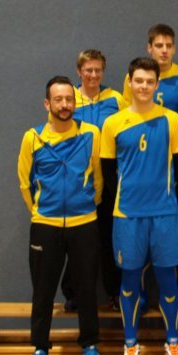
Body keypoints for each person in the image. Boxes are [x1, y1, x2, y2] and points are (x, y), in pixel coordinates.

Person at [101, 57, 178, 355]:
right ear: (129, 81)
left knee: (168, 281)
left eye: (150, 81)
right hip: (128, 216)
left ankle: (173, 342)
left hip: (164, 214)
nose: (144, 86)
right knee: (129, 282)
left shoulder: (172, 120)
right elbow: (108, 174)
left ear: (157, 84)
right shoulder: (113, 124)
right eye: (138, 80)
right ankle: (130, 345)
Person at [17, 76, 104, 355]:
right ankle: (40, 349)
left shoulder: (91, 134)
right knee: (43, 292)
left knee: (86, 290)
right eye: (58, 99)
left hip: (84, 223)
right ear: (47, 104)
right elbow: (25, 183)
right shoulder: (32, 138)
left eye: (69, 99)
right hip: (46, 225)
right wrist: (41, 212)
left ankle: (89, 345)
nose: (65, 105)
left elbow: (98, 178)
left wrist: (87, 204)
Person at [64, 49, 125, 312]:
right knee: (78, 241)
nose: (93, 74)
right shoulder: (69, 98)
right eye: (88, 70)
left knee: (110, 239)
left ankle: (115, 293)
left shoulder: (115, 99)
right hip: (79, 181)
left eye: (97, 70)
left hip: (109, 179)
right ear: (79, 71)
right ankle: (74, 293)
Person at [122, 24, 178, 132]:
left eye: (169, 46)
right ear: (149, 48)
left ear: (174, 49)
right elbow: (126, 114)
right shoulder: (134, 77)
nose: (164, 50)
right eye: (159, 46)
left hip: (176, 141)